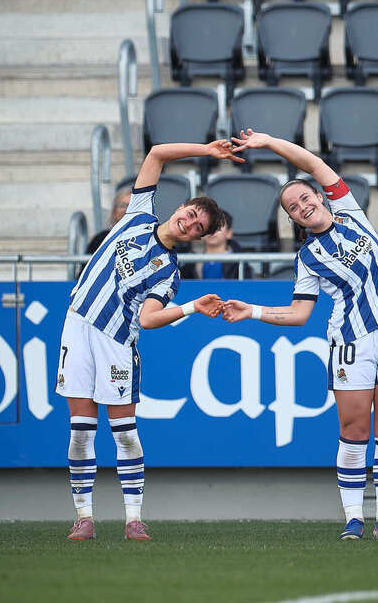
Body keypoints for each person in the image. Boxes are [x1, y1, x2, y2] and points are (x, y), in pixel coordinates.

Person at [223, 129, 378, 541]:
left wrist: (268, 143)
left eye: (305, 198)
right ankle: (353, 519)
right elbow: (299, 315)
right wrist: (252, 311)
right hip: (350, 342)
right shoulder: (307, 257)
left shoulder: (352, 212)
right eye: (293, 208)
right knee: (354, 429)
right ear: (292, 220)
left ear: (321, 196)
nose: (303, 206)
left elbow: (311, 163)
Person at [56, 139, 244, 541]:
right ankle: (83, 516)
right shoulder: (138, 216)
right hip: (78, 325)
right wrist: (207, 152)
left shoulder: (169, 272)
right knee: (80, 430)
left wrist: (192, 307)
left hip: (116, 340)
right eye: (191, 215)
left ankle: (133, 517)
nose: (191, 224)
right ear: (180, 208)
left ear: (198, 237)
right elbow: (157, 153)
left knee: (124, 431)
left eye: (199, 228)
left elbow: (150, 318)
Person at [180, 210, 253, 280]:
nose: (212, 231)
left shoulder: (240, 263)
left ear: (229, 233)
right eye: (208, 226)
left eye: (218, 227)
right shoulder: (190, 261)